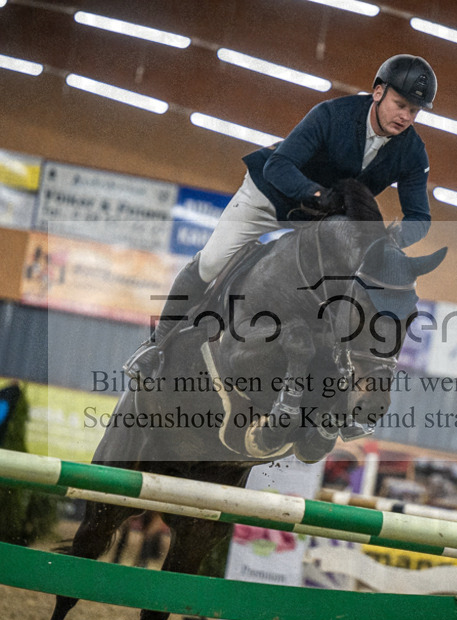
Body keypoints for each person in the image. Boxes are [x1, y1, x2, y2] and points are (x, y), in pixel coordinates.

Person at [125, 54, 437, 380]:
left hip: (322, 220)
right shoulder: (332, 115)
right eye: (400, 104)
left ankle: (339, 380)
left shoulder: (413, 152)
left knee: (352, 283)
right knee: (211, 263)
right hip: (268, 197)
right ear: (378, 92)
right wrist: (316, 194)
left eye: (414, 111)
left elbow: (420, 216)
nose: (405, 116)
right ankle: (155, 347)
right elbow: (278, 166)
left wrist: (393, 240)